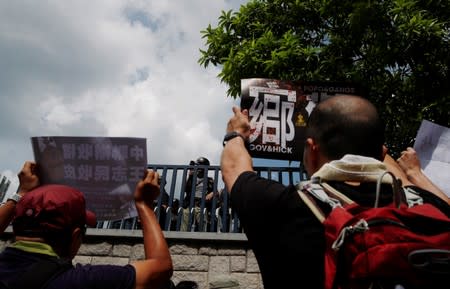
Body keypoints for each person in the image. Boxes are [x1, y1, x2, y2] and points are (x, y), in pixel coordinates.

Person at [220, 95, 450, 289]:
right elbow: (403, 180)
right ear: (382, 154)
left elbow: (233, 168)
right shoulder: (424, 207)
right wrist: (413, 172)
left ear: (312, 151)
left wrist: (236, 134)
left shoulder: (283, 206)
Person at [0, 161, 173, 289]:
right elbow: (160, 269)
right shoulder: (83, 280)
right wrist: (144, 205)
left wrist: (21, 193)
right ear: (75, 237)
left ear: (16, 224)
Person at [180, 157, 217, 232]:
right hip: (189, 204)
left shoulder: (209, 180)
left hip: (201, 204)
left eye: (198, 166)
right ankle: (183, 240)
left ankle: (202, 240)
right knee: (185, 224)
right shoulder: (192, 178)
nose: (196, 167)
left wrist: (212, 193)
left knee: (202, 224)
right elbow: (184, 189)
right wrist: (189, 175)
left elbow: (216, 191)